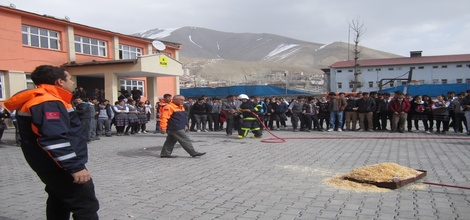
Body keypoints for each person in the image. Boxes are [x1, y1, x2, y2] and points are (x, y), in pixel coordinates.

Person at [4, 65, 99, 219]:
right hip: (59, 166)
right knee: (85, 205)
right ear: (60, 81)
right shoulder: (48, 102)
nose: (73, 83)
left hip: (52, 164)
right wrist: (75, 167)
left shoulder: (46, 99)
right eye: (70, 79)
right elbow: (54, 139)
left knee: (60, 200)